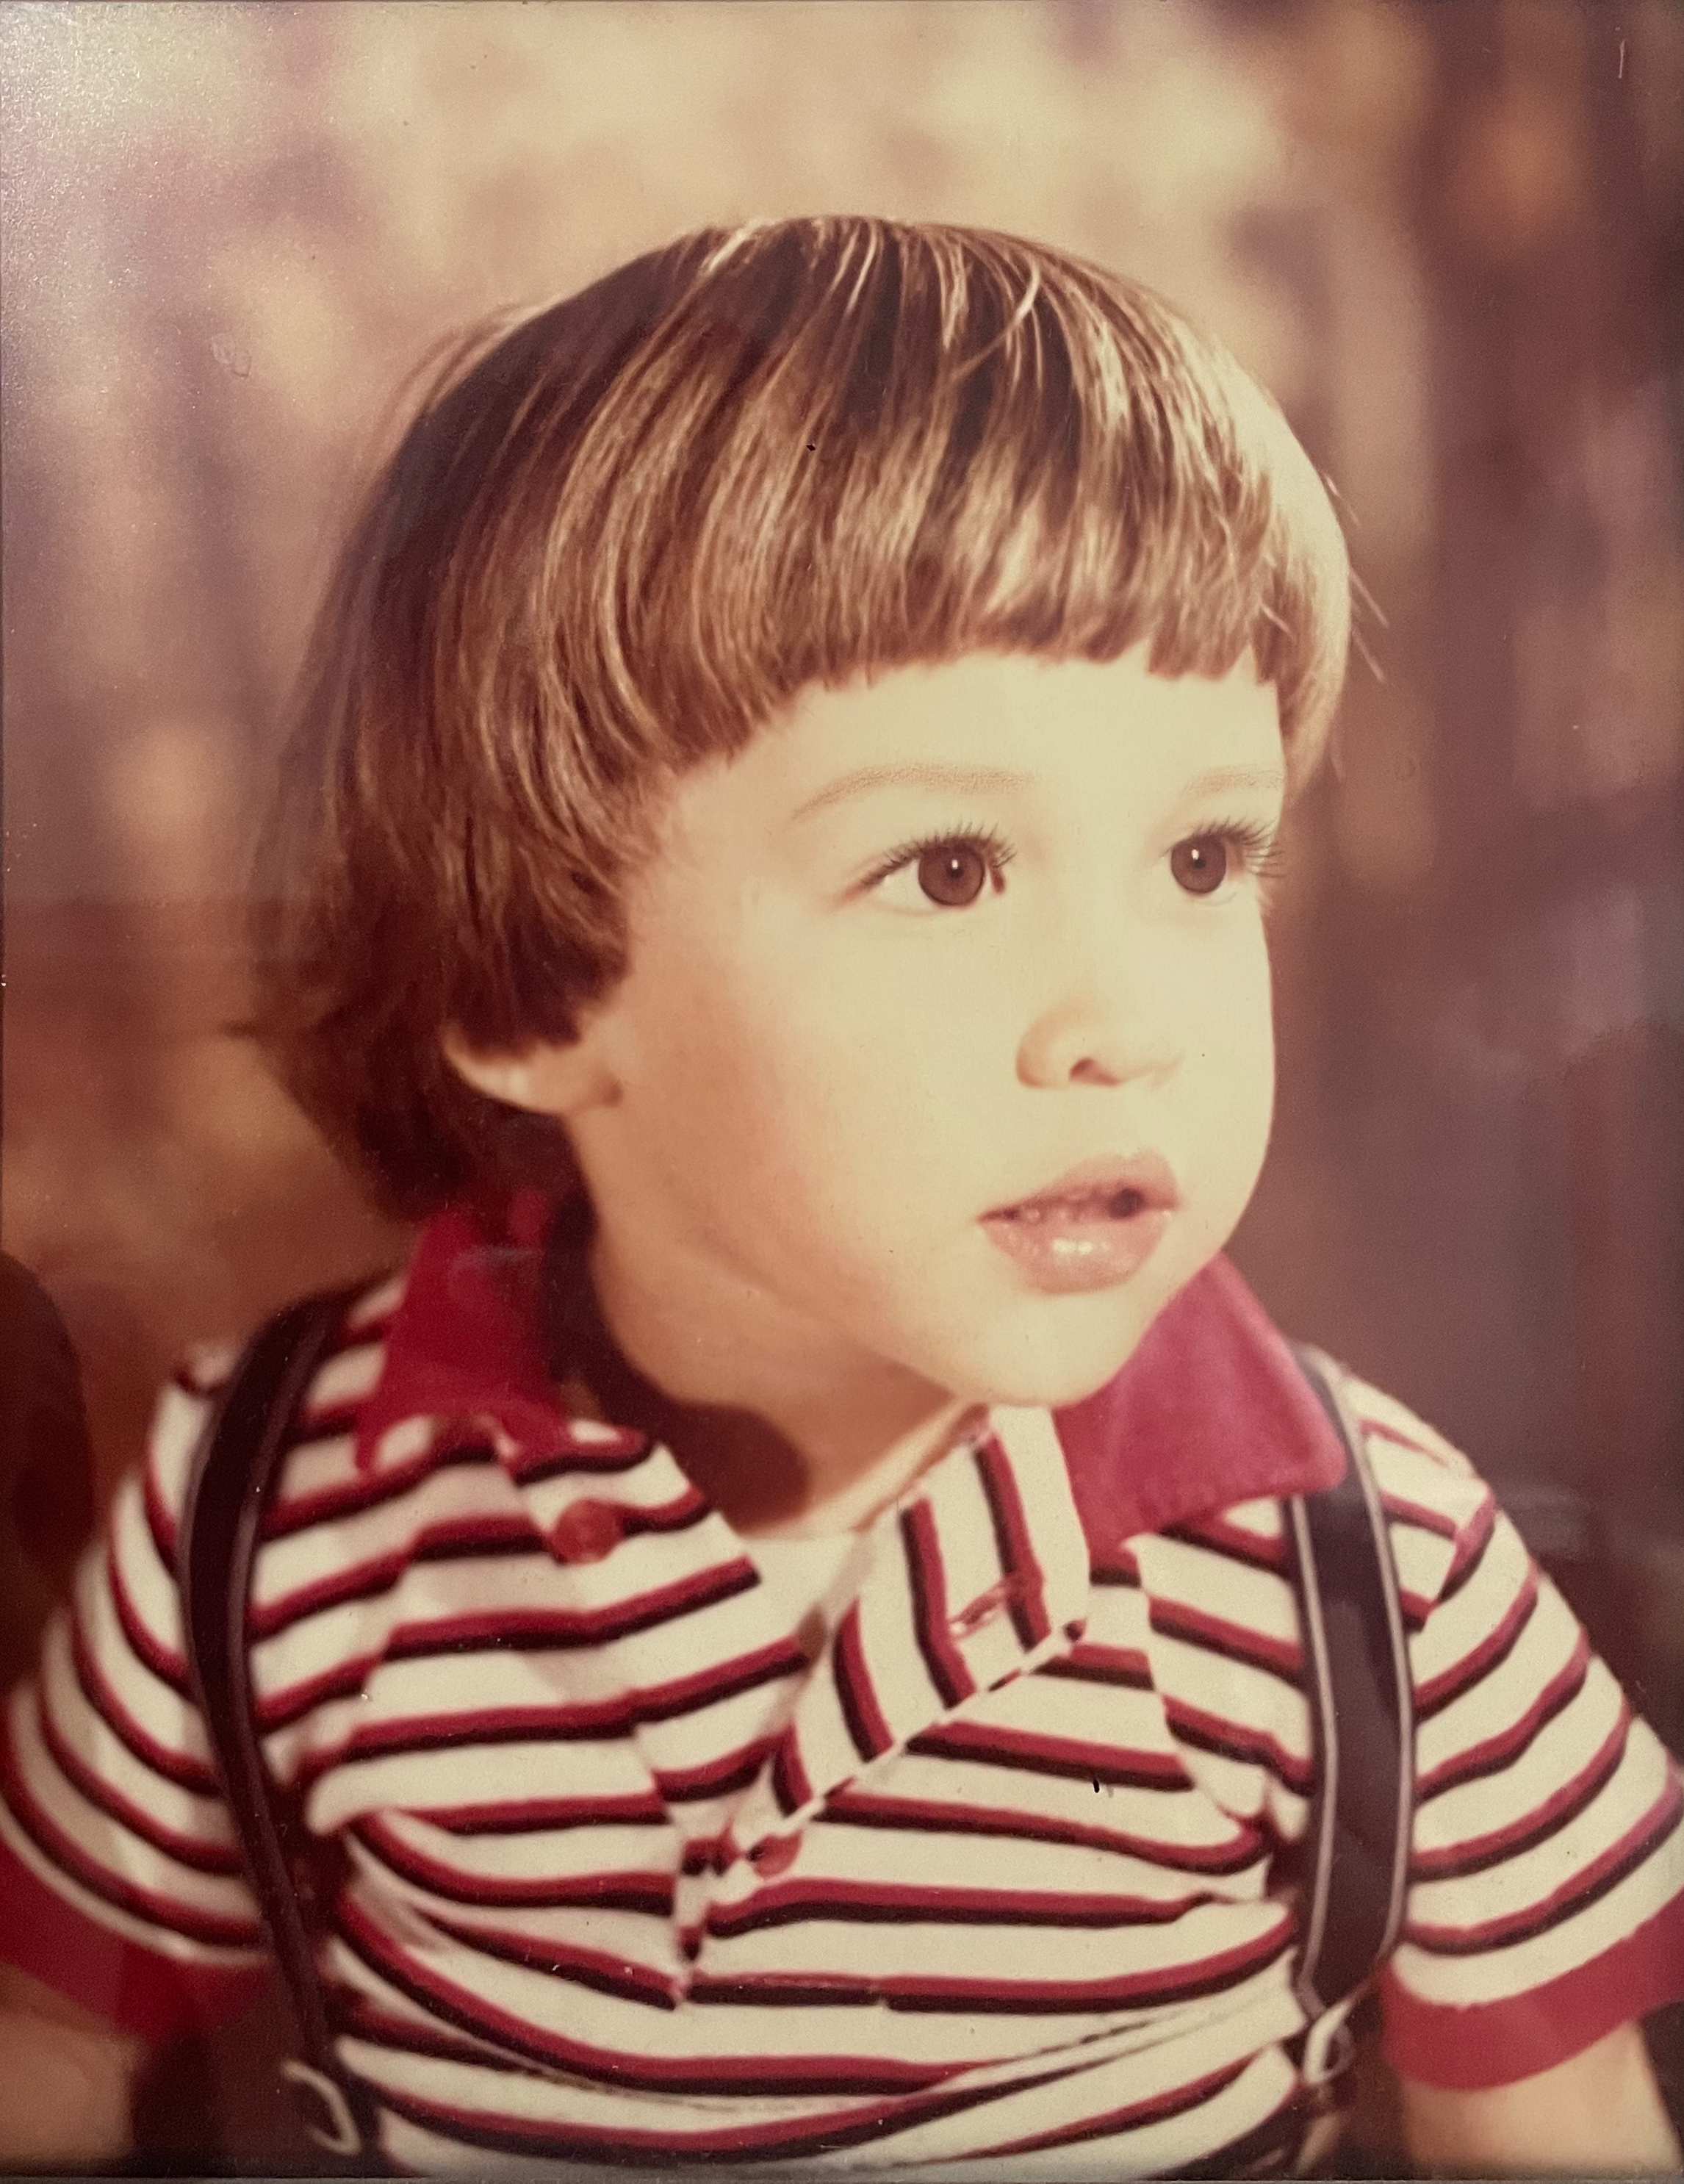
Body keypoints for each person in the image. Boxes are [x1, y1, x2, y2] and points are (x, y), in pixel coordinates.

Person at [1, 218, 1680, 2177]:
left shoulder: (1365, 1571)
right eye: (950, 868)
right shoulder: (276, 1519)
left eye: (1206, 855)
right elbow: (47, 2047)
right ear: (530, 991)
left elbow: (1553, 2134)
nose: (1127, 1020)